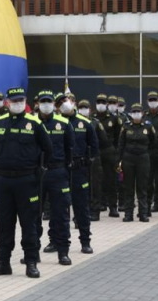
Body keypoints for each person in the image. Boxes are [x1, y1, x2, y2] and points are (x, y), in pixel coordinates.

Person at [0, 87, 51, 279]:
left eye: (21, 100)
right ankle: (3, 262)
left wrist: (39, 171)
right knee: (4, 224)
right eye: (14, 101)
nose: (17, 103)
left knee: (29, 223)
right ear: (7, 102)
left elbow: (48, 150)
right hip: (4, 181)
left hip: (27, 180)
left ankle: (31, 262)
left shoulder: (35, 123)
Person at [35, 90, 74, 266]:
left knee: (61, 214)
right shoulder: (31, 123)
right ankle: (32, 252)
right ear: (37, 104)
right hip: (37, 174)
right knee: (33, 215)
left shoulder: (64, 123)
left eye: (48, 101)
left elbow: (70, 150)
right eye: (43, 101)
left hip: (58, 172)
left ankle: (63, 251)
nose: (46, 104)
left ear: (54, 104)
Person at [58, 94, 98, 254]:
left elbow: (94, 147)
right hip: (61, 170)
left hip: (79, 170)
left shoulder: (85, 123)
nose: (64, 104)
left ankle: (85, 241)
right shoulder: (55, 123)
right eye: (60, 103)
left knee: (81, 207)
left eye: (66, 101)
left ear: (73, 102)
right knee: (59, 209)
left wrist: (88, 161)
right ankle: (57, 241)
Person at [117, 103, 156, 222]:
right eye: (134, 112)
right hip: (128, 158)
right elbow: (121, 144)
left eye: (138, 111)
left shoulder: (148, 127)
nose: (136, 114)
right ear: (131, 114)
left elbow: (153, 143)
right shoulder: (126, 126)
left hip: (142, 158)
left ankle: (143, 213)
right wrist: (118, 161)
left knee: (142, 187)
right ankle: (128, 214)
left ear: (142, 113)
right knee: (128, 187)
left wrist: (147, 155)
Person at [79, 99, 108, 222]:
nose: (83, 110)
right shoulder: (74, 122)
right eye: (81, 108)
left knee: (95, 184)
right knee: (82, 185)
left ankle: (95, 211)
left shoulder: (95, 123)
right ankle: (84, 210)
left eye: (85, 108)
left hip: (94, 157)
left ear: (90, 110)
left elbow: (104, 139)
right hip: (80, 158)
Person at [95, 94, 124, 217]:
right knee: (97, 179)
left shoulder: (114, 118)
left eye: (103, 102)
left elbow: (119, 137)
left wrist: (117, 154)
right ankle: (100, 204)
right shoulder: (93, 118)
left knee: (111, 179)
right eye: (99, 102)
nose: (101, 104)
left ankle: (113, 207)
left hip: (109, 150)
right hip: (96, 151)